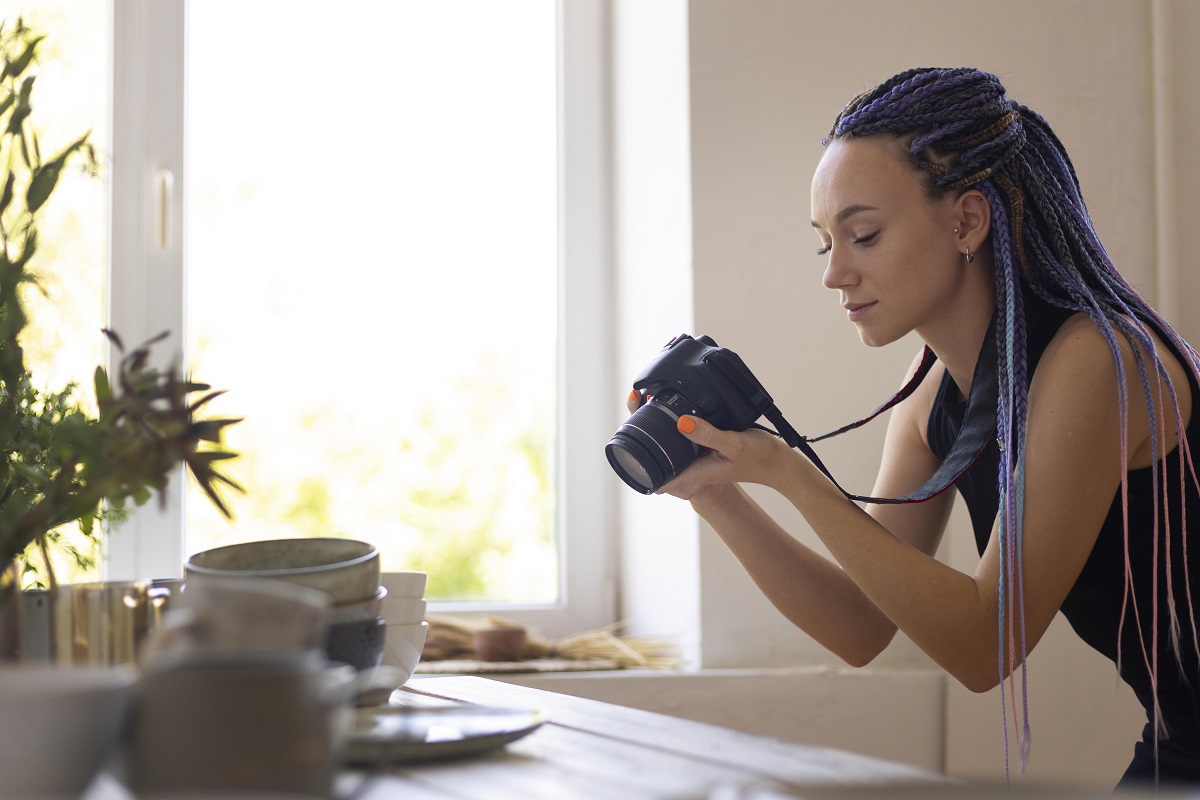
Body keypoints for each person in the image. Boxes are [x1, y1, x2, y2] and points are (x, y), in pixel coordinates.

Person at [627, 67, 1200, 788]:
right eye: (823, 242)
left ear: (965, 221)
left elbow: (984, 646)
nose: (835, 273)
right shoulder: (930, 395)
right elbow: (862, 627)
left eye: (862, 235)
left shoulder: (1098, 362)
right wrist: (720, 493)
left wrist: (791, 474)